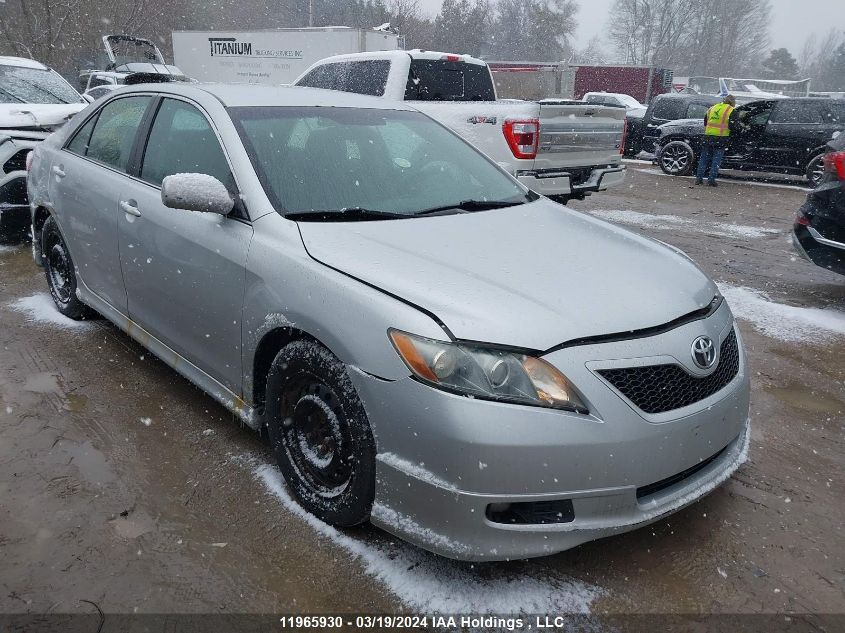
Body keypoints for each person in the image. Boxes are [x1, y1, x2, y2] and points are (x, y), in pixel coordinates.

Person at [696, 95, 737, 187]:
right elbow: (733, 127)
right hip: (721, 138)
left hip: (708, 137)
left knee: (703, 159)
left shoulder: (713, 108)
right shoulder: (731, 110)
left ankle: (698, 179)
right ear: (732, 102)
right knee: (716, 160)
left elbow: (705, 121)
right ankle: (711, 180)